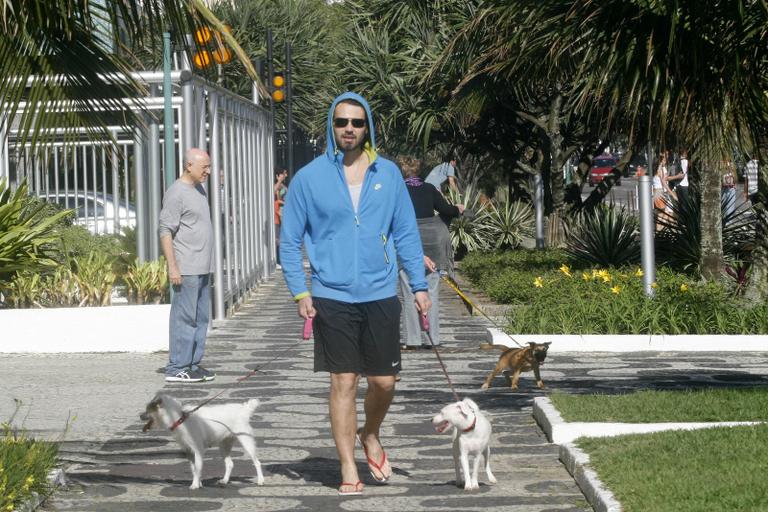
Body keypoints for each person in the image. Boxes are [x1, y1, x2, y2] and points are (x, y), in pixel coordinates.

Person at [279, 92, 431, 496]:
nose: (349, 129)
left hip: (380, 291)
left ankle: (371, 433)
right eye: (342, 122)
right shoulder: (309, 178)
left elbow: (405, 233)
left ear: (368, 128)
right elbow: (290, 240)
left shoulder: (389, 174)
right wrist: (300, 292)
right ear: (332, 126)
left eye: (357, 123)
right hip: (331, 294)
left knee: (384, 382)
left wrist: (418, 285)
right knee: (343, 381)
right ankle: (348, 466)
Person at [159, 148, 216, 383]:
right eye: (205, 167)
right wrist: (173, 267)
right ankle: (177, 367)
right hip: (187, 267)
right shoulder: (177, 193)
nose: (209, 172)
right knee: (184, 318)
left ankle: (192, 363)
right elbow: (165, 230)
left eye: (209, 167)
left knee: (201, 318)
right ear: (189, 166)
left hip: (203, 266)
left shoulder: (198, 189)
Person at [397, 155, 464, 350]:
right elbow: (446, 210)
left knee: (410, 292)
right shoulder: (429, 189)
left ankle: (413, 340)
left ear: (402, 171)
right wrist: (458, 208)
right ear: (419, 170)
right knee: (432, 292)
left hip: (409, 243)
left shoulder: (398, 191)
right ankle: (433, 340)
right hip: (433, 244)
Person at [652, 161, 675, 230]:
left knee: (666, 213)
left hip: (657, 192)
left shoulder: (655, 168)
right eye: (664, 159)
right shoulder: (660, 169)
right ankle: (660, 232)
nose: (665, 161)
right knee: (662, 214)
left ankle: (662, 231)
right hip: (660, 192)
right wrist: (671, 193)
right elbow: (664, 183)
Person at [274, 168, 289, 265]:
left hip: (284, 212)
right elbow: (274, 193)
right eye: (283, 174)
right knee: (278, 237)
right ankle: (279, 258)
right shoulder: (278, 185)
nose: (285, 175)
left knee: (282, 237)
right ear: (277, 176)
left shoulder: (283, 185)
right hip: (279, 212)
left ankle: (282, 258)